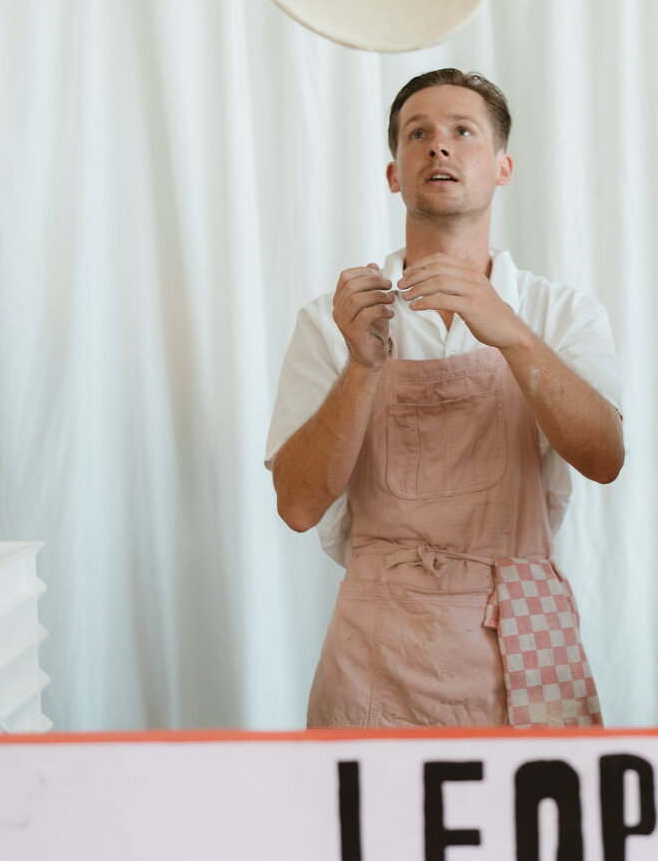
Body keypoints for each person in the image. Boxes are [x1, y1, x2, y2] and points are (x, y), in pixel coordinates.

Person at [265, 68, 624, 728]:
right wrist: (362, 365)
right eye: (417, 134)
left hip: (527, 625)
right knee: (370, 800)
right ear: (393, 174)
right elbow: (296, 504)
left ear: (503, 167)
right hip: (378, 640)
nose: (439, 146)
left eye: (463, 132)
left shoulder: (559, 313)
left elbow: (604, 458)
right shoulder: (335, 319)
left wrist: (509, 330)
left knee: (543, 799)